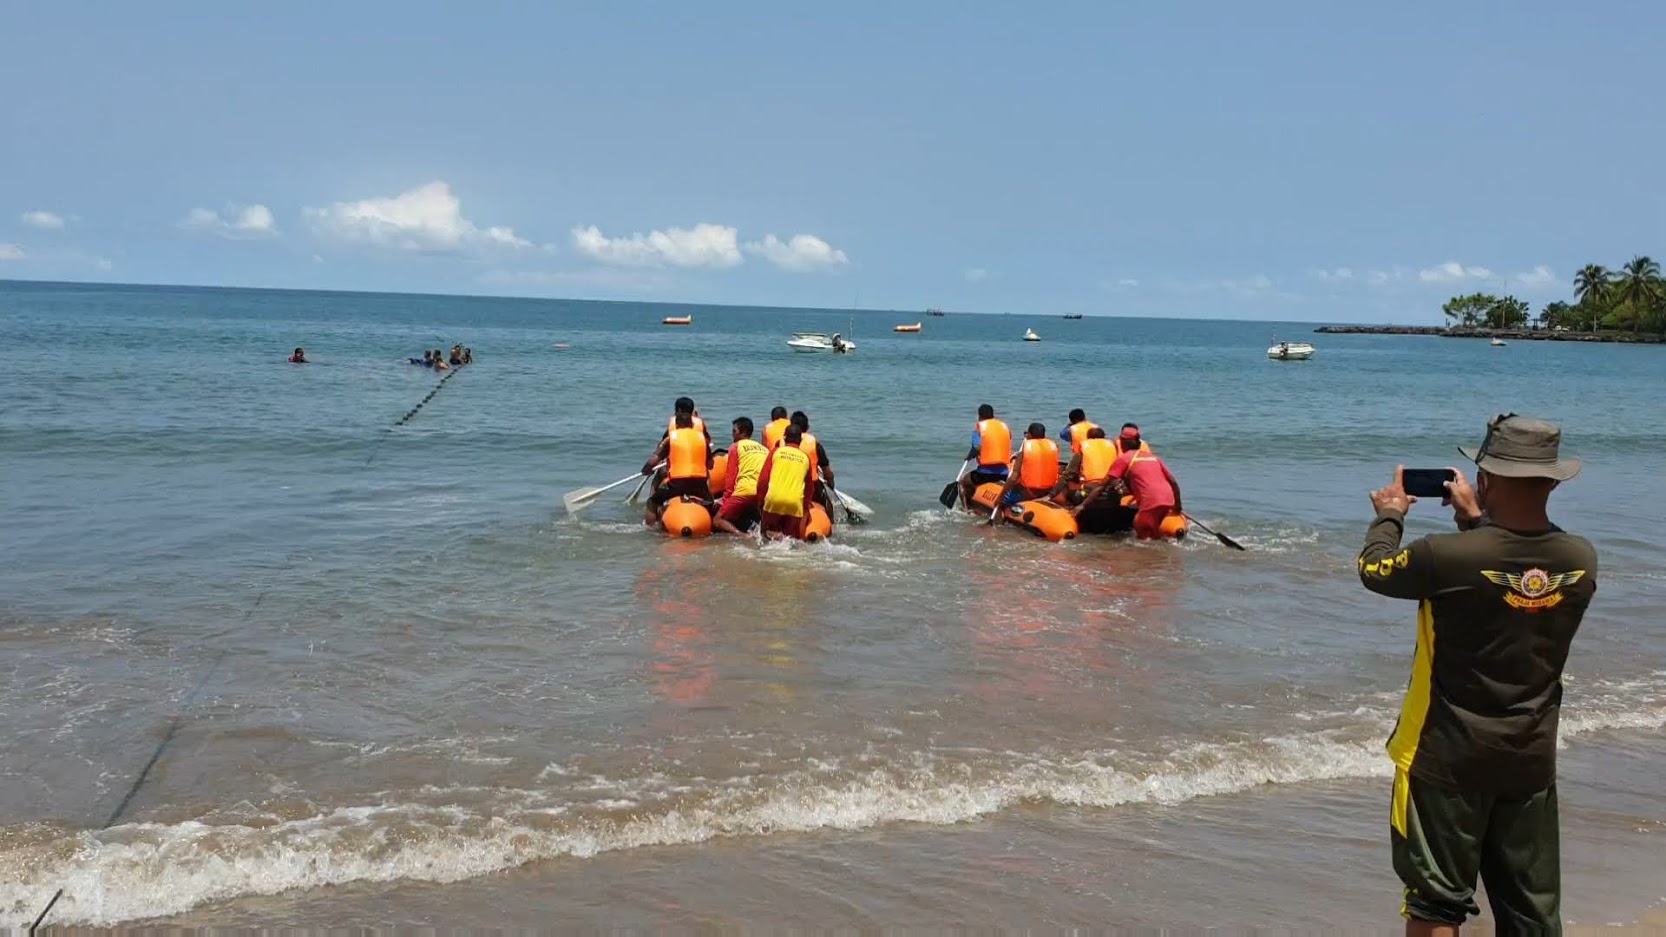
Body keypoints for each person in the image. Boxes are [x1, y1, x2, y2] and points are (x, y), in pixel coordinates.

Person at [1359, 416, 1596, 935]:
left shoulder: (1442, 556)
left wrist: (1389, 516)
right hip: (1530, 758)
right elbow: (1512, 589)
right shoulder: (1580, 560)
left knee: (1435, 901)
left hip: (1445, 755)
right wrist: (1476, 522)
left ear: (1484, 478)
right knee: (1530, 912)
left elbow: (1375, 570)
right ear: (1553, 481)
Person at [642, 413, 713, 527]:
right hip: (699, 485)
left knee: (653, 501)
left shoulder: (671, 439)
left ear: (676, 424)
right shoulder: (702, 440)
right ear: (691, 424)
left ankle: (650, 528)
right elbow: (710, 465)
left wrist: (645, 470)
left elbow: (653, 461)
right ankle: (710, 523)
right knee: (710, 501)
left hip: (677, 485)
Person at [1098, 444, 1182, 539]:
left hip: (1150, 502)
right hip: (1169, 499)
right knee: (1158, 537)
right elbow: (1173, 481)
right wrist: (1178, 506)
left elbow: (1103, 485)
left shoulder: (1124, 459)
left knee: (1142, 538)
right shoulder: (1154, 458)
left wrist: (1082, 506)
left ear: (1122, 445)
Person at [990, 423, 1059, 520]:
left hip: (1028, 493)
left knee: (1001, 502)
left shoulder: (1023, 452)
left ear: (1030, 435)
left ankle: (998, 526)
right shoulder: (1054, 447)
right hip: (1048, 492)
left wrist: (1000, 496)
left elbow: (1014, 477)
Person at [757, 425, 814, 540]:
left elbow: (763, 480)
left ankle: (777, 538)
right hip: (795, 503)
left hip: (774, 500)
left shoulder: (776, 452)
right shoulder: (805, 458)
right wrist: (804, 506)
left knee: (764, 535)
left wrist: (760, 500)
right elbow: (809, 488)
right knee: (790, 538)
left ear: (785, 437)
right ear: (800, 440)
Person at [714, 416, 769, 535]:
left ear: (743, 433)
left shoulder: (735, 447)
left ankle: (744, 536)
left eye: (734, 431)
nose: (732, 435)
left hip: (745, 491)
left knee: (718, 520)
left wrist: (724, 500)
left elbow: (731, 478)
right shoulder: (764, 449)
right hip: (763, 494)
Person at [960, 404, 1013, 509]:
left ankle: (966, 510)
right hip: (1004, 473)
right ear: (993, 415)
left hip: (985, 474)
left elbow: (977, 447)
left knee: (962, 482)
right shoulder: (1004, 427)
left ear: (979, 416)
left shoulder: (979, 427)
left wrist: (970, 456)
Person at [1051, 426, 1118, 504]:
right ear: (1103, 437)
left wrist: (1051, 494)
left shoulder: (1085, 449)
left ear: (1088, 438)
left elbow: (1068, 474)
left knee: (1068, 484)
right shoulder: (1112, 448)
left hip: (1089, 494)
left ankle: (1060, 507)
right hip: (1112, 493)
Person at [789, 411, 837, 517]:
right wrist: (831, 484)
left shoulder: (782, 443)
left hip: (788, 484)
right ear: (807, 427)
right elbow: (827, 471)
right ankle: (829, 523)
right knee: (827, 503)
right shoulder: (815, 444)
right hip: (811, 487)